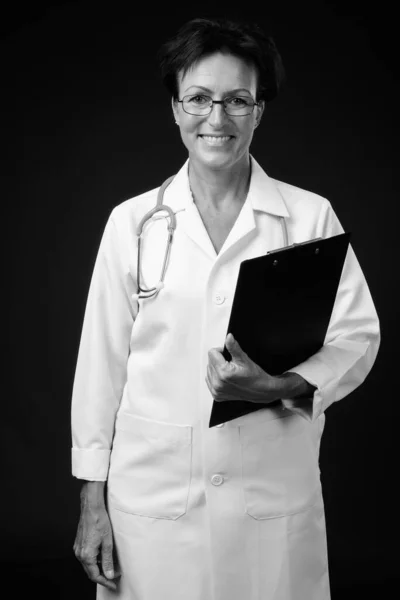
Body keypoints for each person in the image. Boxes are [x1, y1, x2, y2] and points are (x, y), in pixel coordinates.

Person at [71, 17, 380, 600]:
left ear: (259, 111)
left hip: (269, 490)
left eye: (237, 100)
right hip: (155, 499)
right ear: (175, 108)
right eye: (198, 99)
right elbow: (100, 367)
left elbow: (358, 337)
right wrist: (92, 501)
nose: (217, 119)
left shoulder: (310, 217)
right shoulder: (132, 223)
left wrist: (282, 385)